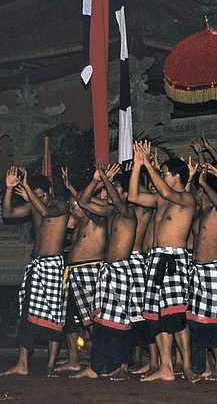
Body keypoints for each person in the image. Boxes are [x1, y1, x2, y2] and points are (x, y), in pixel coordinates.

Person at [128, 141, 199, 383]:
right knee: (156, 316)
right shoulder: (160, 200)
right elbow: (134, 195)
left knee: (176, 316)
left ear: (176, 176)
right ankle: (166, 366)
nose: (160, 176)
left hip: (174, 259)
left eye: (164, 173)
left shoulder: (187, 199)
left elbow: (168, 192)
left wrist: (148, 162)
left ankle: (187, 366)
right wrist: (138, 165)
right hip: (155, 259)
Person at [0, 167, 69, 377]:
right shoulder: (32, 205)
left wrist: (28, 188)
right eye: (34, 195)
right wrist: (10, 189)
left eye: (40, 195)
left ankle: (50, 364)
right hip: (36, 264)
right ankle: (22, 363)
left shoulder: (61, 205)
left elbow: (46, 212)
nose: (36, 199)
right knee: (26, 314)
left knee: (54, 314)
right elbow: (8, 213)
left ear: (49, 192)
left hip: (53, 264)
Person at [72, 162, 138, 381]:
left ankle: (123, 367)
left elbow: (119, 201)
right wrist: (96, 180)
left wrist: (106, 179)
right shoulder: (110, 212)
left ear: (126, 194)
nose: (110, 193)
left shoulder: (128, 212)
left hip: (121, 270)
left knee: (120, 322)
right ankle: (95, 366)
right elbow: (82, 201)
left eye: (117, 188)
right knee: (100, 321)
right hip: (106, 270)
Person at [56, 177, 109, 373]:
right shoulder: (76, 222)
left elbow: (86, 203)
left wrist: (73, 186)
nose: (72, 209)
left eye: (74, 206)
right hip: (72, 274)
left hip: (90, 271)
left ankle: (97, 363)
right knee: (67, 316)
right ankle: (74, 359)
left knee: (92, 320)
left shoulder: (98, 220)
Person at [187, 167, 217, 380]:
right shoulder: (197, 214)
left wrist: (203, 182)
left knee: (214, 320)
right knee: (197, 320)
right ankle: (207, 364)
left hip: (214, 269)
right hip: (197, 270)